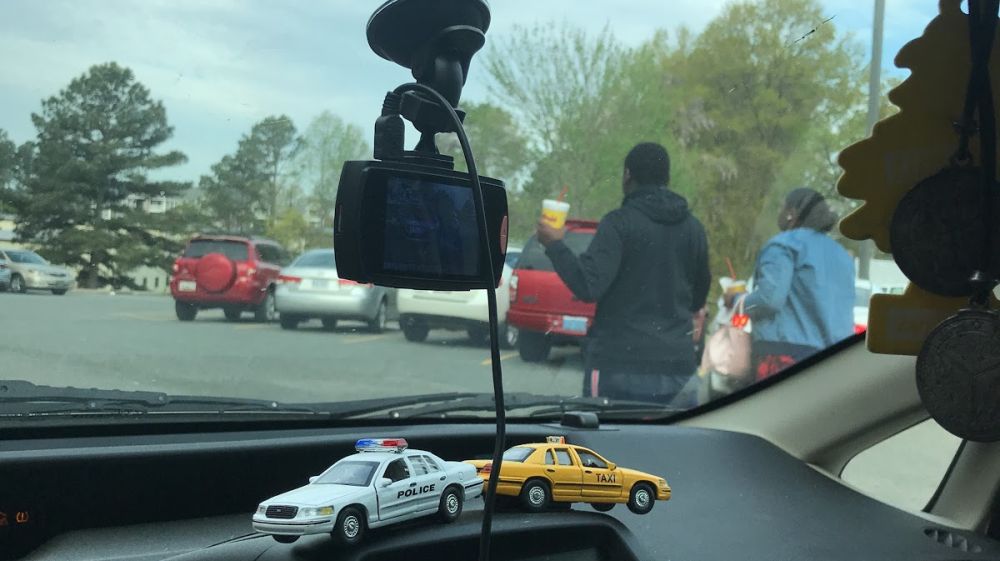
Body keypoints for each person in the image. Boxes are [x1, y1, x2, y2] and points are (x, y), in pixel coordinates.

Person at [536, 142, 711, 405]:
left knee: (606, 442)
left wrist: (554, 245)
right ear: (668, 179)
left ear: (628, 175)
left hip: (617, 365)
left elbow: (588, 286)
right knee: (672, 444)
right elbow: (698, 299)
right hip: (678, 366)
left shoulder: (619, 223)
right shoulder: (694, 229)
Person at [729, 188, 854, 379]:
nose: (779, 213)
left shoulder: (783, 245)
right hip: (834, 360)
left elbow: (769, 300)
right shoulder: (842, 255)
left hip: (784, 356)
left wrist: (737, 300)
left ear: (791, 214)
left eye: (781, 207)